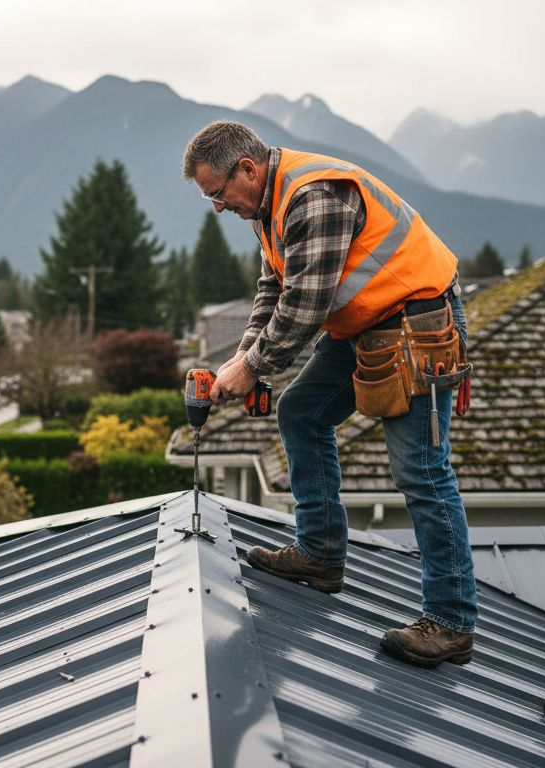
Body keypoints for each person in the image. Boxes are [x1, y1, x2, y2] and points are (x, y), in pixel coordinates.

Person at [182, 120, 478, 667]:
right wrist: (243, 357)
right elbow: (276, 286)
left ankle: (453, 622)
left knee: (421, 469)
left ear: (246, 169)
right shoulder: (267, 204)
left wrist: (251, 368)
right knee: (301, 411)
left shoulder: (313, 196)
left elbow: (306, 307)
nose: (219, 208)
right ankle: (319, 555)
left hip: (417, 322)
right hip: (366, 324)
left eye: (218, 194)